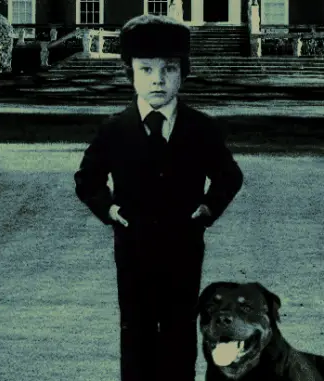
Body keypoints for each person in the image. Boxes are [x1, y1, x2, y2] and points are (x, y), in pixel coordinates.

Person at [73, 14, 244, 381]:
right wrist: (108, 207)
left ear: (183, 73)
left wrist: (208, 207)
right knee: (135, 331)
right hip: (132, 247)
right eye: (146, 69)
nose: (158, 79)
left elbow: (229, 175)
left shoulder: (201, 129)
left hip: (183, 247)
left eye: (169, 69)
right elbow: (87, 178)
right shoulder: (115, 130)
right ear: (129, 74)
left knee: (179, 332)